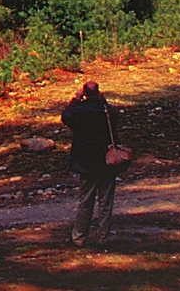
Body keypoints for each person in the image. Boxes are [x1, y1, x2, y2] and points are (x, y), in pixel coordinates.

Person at [61, 80, 125, 248]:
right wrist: (102, 101)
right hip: (106, 160)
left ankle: (79, 237)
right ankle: (103, 237)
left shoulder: (79, 112)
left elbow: (65, 117)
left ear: (84, 94)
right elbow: (115, 116)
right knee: (105, 201)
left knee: (85, 201)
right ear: (98, 93)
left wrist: (75, 99)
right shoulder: (107, 110)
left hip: (86, 162)